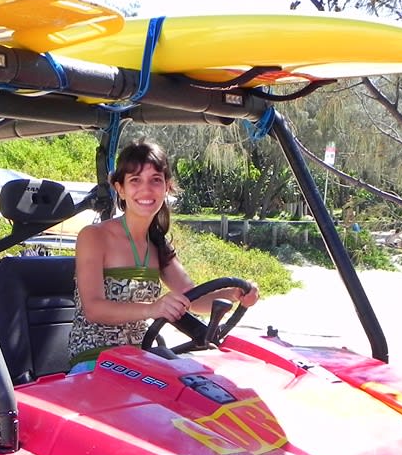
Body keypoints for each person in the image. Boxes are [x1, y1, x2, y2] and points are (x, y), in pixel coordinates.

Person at [67, 139, 259, 372]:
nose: (146, 190)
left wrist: (235, 293)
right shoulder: (93, 237)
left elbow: (194, 299)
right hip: (93, 361)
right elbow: (94, 308)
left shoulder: (158, 244)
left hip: (138, 360)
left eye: (155, 180)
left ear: (166, 187)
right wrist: (151, 308)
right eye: (135, 180)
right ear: (120, 188)